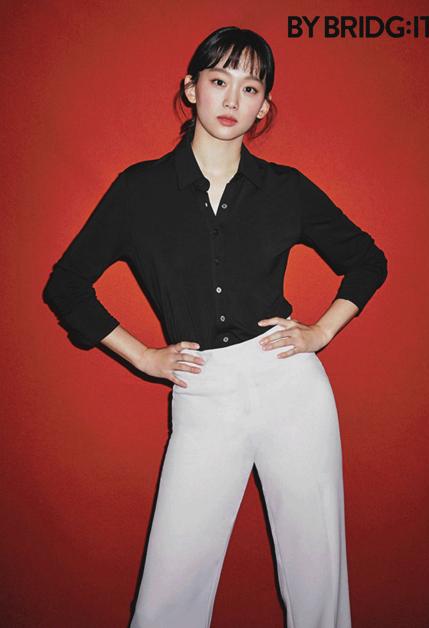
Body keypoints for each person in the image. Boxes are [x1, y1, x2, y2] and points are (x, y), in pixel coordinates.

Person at [42, 25, 388, 628]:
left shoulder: (284, 189)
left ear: (264, 107)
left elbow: (368, 260)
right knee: (167, 596)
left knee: (318, 579)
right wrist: (144, 356)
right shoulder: (139, 191)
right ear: (191, 88)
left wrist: (321, 333)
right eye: (219, 81)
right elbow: (66, 284)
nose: (232, 100)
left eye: (249, 88)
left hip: (290, 387)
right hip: (203, 390)